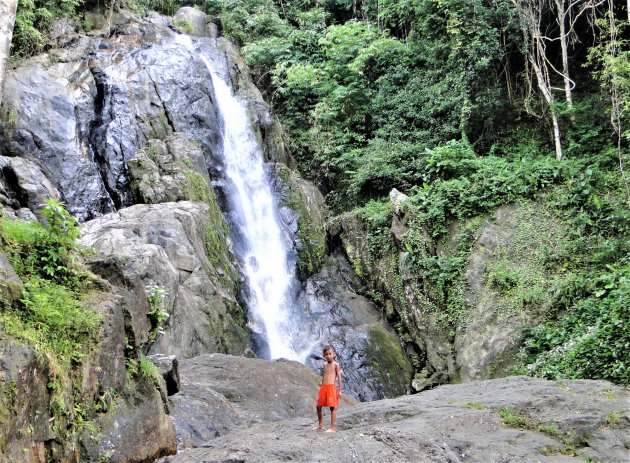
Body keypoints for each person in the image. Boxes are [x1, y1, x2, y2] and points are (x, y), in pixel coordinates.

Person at [314, 345, 342, 432]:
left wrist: (339, 390)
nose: (328, 356)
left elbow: (339, 378)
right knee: (318, 406)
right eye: (326, 354)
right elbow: (324, 376)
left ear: (334, 354)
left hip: (331, 388)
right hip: (324, 388)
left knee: (332, 407)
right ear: (323, 355)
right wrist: (322, 385)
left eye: (330, 354)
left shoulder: (336, 365)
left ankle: (332, 428)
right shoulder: (324, 365)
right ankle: (320, 424)